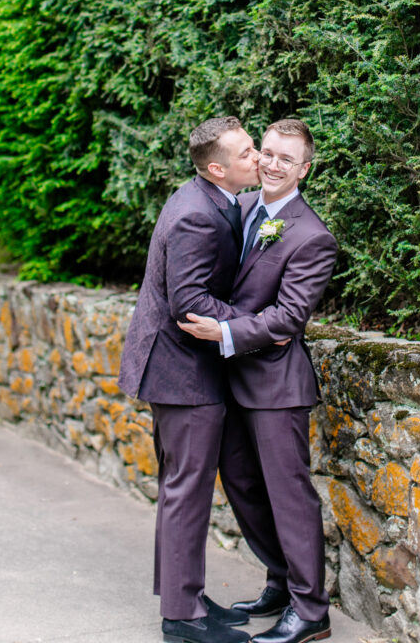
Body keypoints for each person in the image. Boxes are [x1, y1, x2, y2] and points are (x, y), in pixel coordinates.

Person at [179, 118, 337, 643]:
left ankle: (311, 611)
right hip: (229, 378)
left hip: (275, 387)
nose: (271, 164)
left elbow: (288, 319)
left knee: (289, 495)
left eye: (285, 159)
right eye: (265, 152)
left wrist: (225, 329)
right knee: (245, 489)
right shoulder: (241, 208)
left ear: (304, 170)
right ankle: (281, 581)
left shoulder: (313, 237)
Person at [117, 116, 259, 643]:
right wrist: (256, 326)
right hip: (181, 373)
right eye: (247, 153)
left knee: (186, 487)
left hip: (185, 369)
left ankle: (189, 597)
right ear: (218, 168)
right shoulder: (195, 215)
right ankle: (181, 620)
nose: (258, 159)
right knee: (186, 490)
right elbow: (190, 304)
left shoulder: (215, 198)